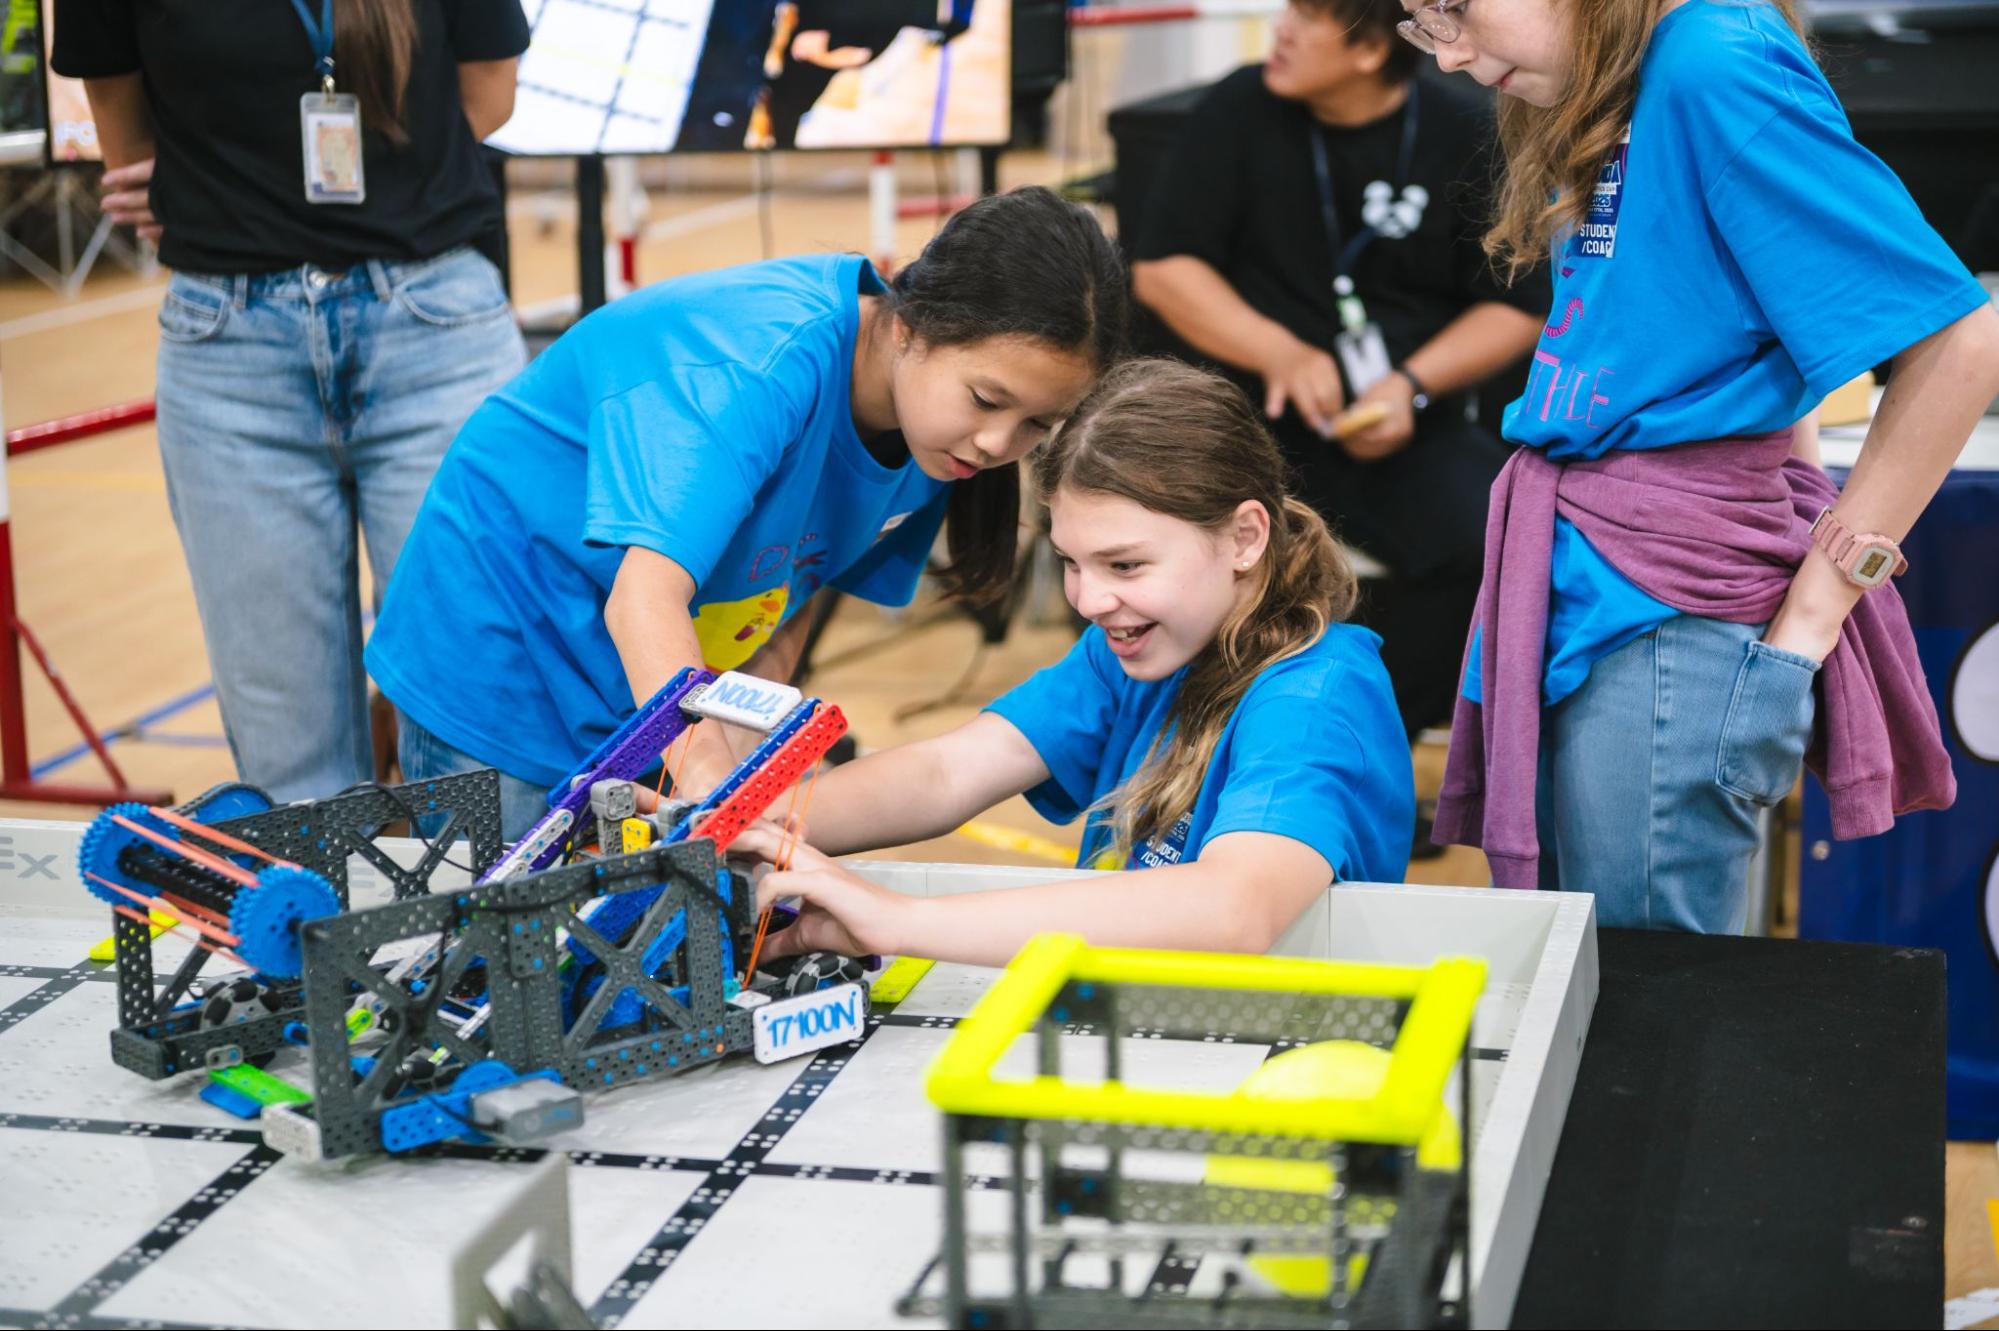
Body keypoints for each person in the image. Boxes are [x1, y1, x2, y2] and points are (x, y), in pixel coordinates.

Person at [1397, 0, 1999, 929]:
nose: (1447, 54)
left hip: (1669, 599)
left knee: (1645, 981)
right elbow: (1766, 316)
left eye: (1455, 7)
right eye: (1422, 22)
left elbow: (1961, 342)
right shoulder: (1623, 77)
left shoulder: (1712, 60)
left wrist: (1812, 614)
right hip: (1591, 566)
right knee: (1576, 960)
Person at [365, 186, 1127, 841]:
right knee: (512, 944)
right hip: (501, 652)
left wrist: (734, 760)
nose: (997, 444)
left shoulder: (935, 435)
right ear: (908, 325)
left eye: (1036, 424)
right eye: (987, 400)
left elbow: (788, 597)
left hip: (635, 675)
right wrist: (705, 784)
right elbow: (643, 598)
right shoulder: (756, 365)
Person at [728, 359, 1415, 968]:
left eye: (1125, 564)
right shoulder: (1138, 648)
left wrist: (898, 921)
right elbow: (949, 772)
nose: (1088, 600)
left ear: (1244, 537)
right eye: (1071, 563)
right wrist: (733, 822)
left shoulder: (1317, 697)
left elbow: (1235, 908)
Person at [53, 0, 531, 802]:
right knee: (291, 773)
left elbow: (489, 90)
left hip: (434, 329)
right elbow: (121, 124)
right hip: (230, 354)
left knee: (480, 740)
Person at [1130, 0, 1547, 746]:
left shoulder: (1464, 129)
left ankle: (1357, 736)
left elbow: (1517, 307)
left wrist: (1409, 386)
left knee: (1507, 534)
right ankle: (1218, 738)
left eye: (1306, 17)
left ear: (1368, 50)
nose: (1281, 30)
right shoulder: (1239, 108)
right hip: (1252, 429)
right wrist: (1278, 352)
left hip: (1402, 422)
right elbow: (1163, 271)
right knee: (1197, 553)